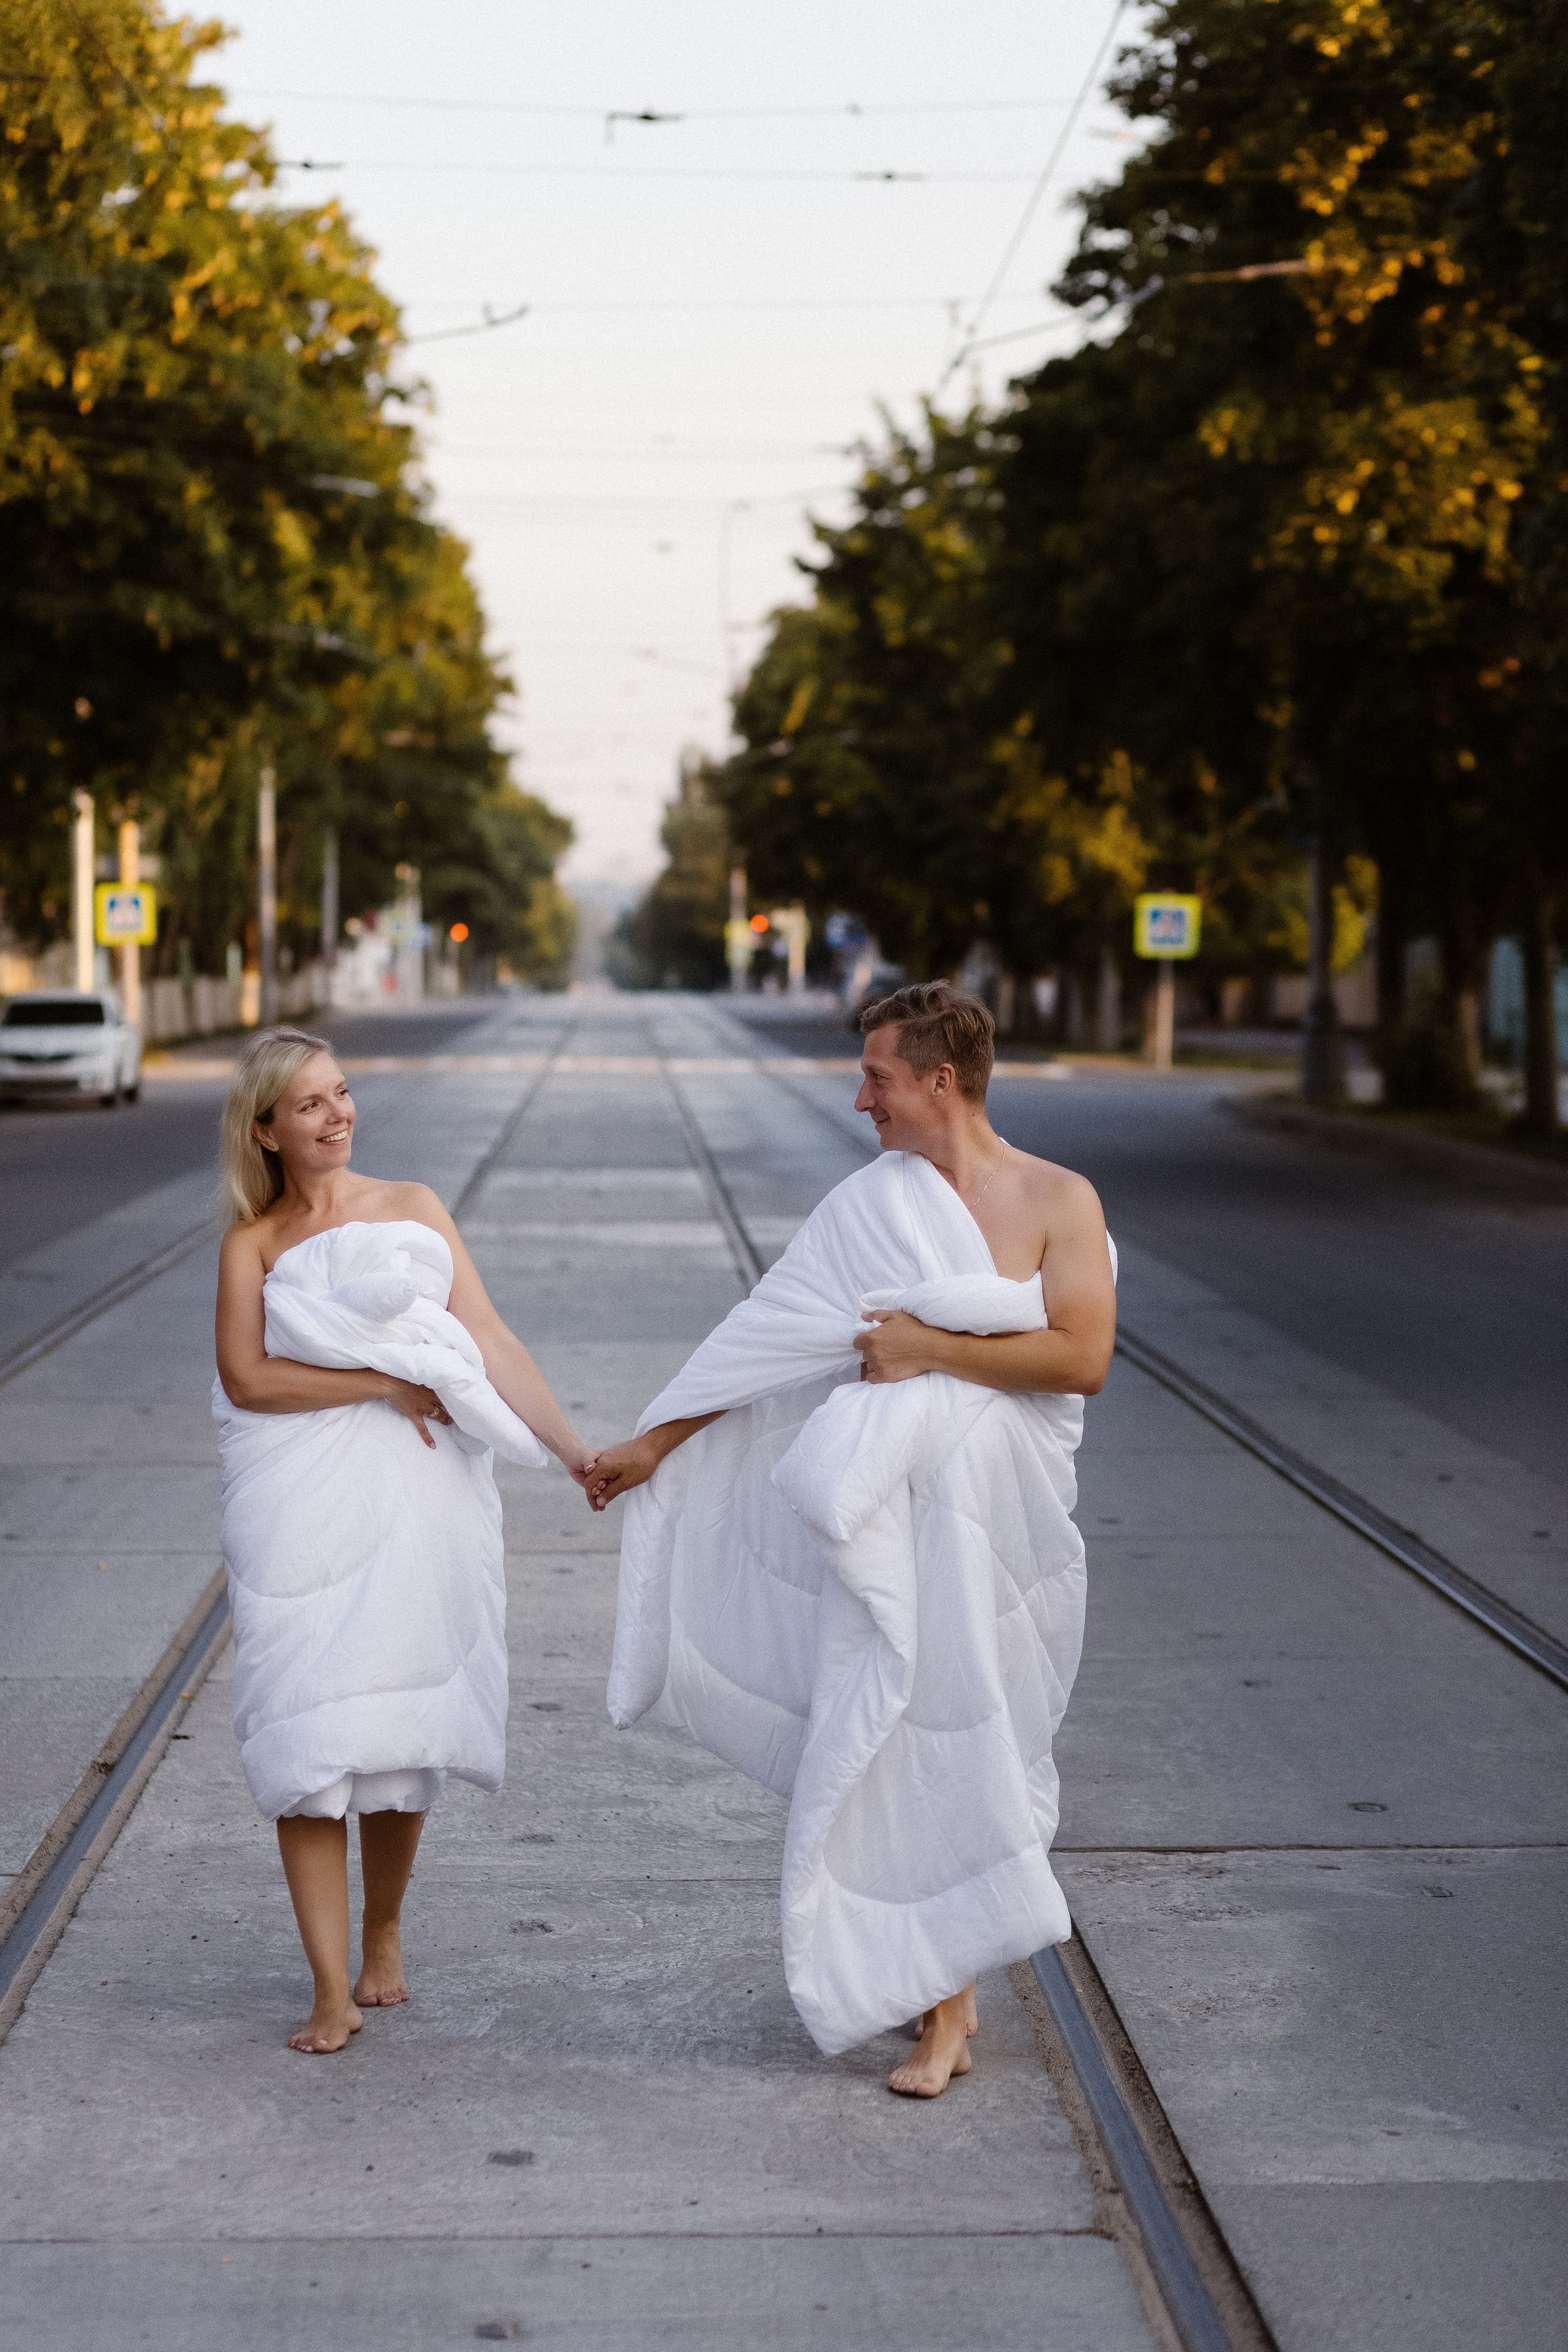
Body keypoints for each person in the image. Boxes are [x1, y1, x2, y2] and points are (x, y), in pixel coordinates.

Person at [588, 983, 1116, 2098]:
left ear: (940, 1080)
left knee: (982, 1736)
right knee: (902, 1741)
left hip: (1006, 1532)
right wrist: (656, 1442)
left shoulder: (1061, 1199)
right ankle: (945, 2011)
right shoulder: (867, 1205)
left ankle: (942, 1991)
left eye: (877, 1076)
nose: (860, 1098)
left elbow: (1079, 1359)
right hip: (891, 1529)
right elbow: (768, 1335)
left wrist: (927, 1345)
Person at [214, 1027, 595, 2054]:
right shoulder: (252, 1243)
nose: (337, 1116)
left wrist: (570, 1450)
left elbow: (491, 1337)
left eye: (340, 1094)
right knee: (304, 1726)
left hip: (418, 1492)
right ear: (266, 1130)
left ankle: (383, 1932)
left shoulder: (415, 1208)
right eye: (310, 1105)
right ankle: (329, 1988)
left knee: (397, 1726)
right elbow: (249, 1379)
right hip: (299, 1496)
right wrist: (380, 1382)